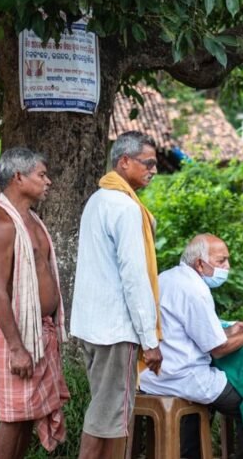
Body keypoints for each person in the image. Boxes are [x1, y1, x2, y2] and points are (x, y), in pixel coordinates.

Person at [139, 233, 243, 459]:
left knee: (231, 394)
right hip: (182, 376)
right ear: (199, 263)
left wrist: (238, 329)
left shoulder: (169, 277)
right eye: (221, 261)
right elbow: (218, 349)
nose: (227, 267)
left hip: (153, 374)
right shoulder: (194, 290)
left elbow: (199, 334)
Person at [70, 131, 164, 459]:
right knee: (107, 417)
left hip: (93, 326)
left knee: (109, 414)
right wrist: (150, 340)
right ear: (124, 162)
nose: (154, 170)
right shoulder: (125, 208)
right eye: (148, 163)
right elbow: (134, 278)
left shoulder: (98, 199)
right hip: (115, 329)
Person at [0, 147, 70, 459]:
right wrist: (17, 348)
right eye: (41, 175)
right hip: (16, 333)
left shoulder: (30, 219)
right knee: (13, 415)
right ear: (18, 177)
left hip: (39, 329)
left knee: (28, 414)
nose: (48, 182)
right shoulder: (2, 225)